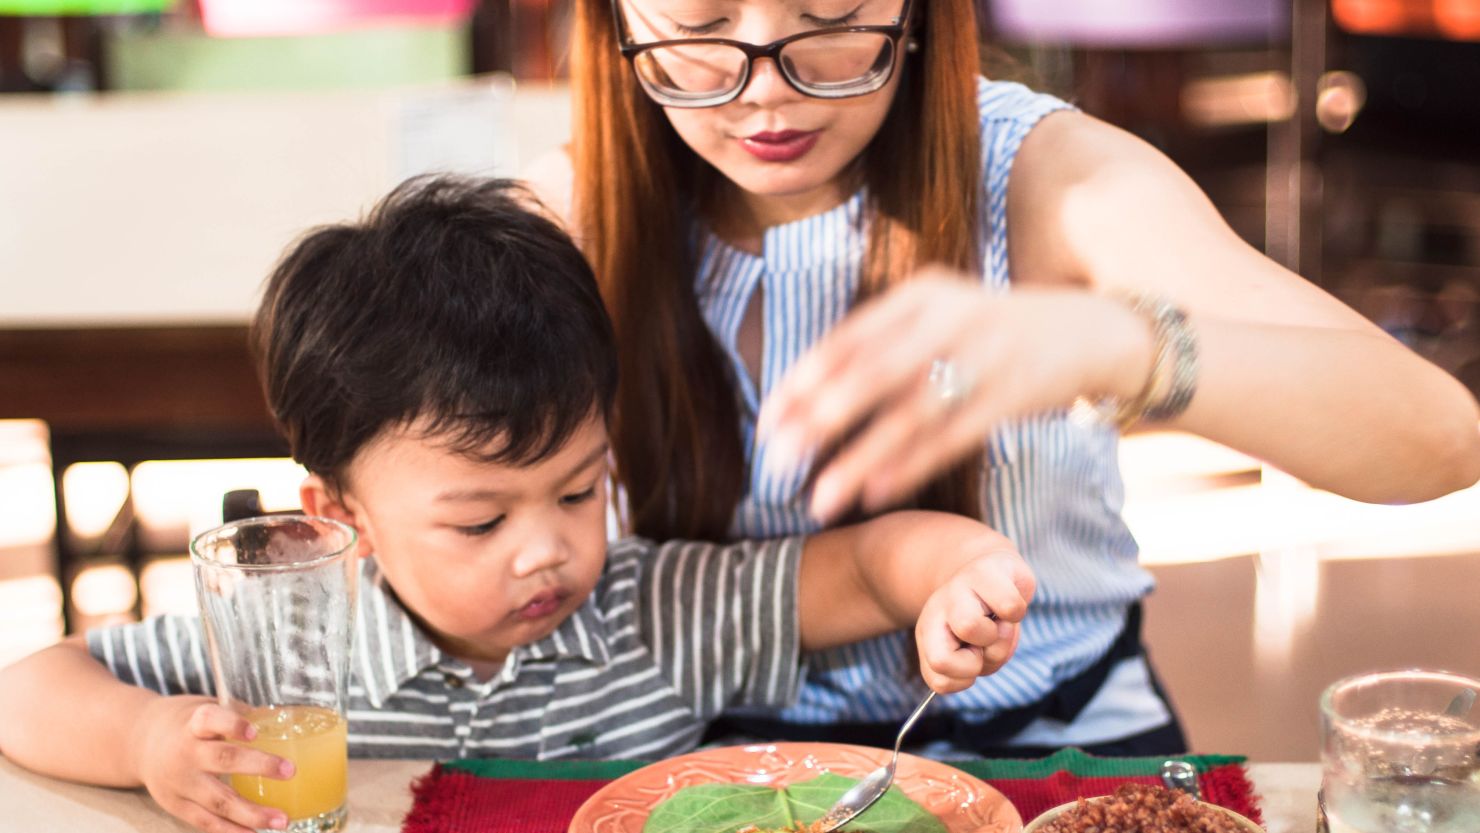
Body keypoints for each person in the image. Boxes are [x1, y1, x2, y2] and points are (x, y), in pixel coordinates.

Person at [524, 0, 1480, 755]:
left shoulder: (1045, 176)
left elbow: (1438, 439)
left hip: (1053, 745)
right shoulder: (572, 214)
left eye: (830, 19)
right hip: (719, 756)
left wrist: (1121, 344)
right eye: (698, 26)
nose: (769, 90)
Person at [0, 176, 1035, 833]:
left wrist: (959, 571)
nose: (548, 548)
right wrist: (145, 741)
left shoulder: (656, 609)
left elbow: (857, 567)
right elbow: (27, 688)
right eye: (481, 519)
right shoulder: (297, 649)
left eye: (580, 488)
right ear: (341, 512)